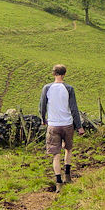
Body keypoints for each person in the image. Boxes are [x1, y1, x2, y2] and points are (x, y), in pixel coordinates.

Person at [39, 64, 84, 192]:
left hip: (53, 125)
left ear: (54, 74)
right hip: (67, 124)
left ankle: (58, 182)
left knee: (55, 155)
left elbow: (42, 106)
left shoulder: (46, 88)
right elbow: (74, 109)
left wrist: (43, 119)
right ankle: (68, 176)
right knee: (68, 149)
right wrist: (79, 127)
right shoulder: (69, 88)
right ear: (64, 74)